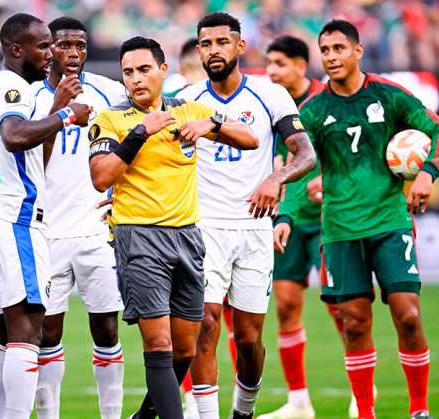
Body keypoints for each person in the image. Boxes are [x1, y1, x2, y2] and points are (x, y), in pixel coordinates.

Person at [90, 36, 258, 419]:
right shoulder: (111, 119)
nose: (136, 79)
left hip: (187, 236)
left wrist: (211, 123)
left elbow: (250, 139)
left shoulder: (189, 110)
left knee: (186, 347)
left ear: (164, 71)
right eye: (128, 72)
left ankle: (144, 416)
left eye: (144, 69)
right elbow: (101, 177)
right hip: (138, 238)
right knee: (159, 343)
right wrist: (139, 134)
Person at [281, 20, 438, 419]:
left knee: (408, 314)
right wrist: (286, 213)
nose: (331, 57)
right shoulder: (313, 111)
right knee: (354, 323)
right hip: (339, 231)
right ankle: (365, 413)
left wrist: (426, 173)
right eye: (325, 50)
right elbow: (297, 163)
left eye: (338, 48)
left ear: (357, 51)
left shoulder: (389, 96)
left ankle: (418, 409)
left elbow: (434, 132)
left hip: (389, 221)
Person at [176, 13, 316, 419]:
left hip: (254, 228)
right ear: (198, 50)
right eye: (206, 43)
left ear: (240, 47)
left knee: (250, 339)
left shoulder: (270, 95)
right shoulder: (184, 99)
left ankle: (244, 410)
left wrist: (277, 177)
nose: (214, 50)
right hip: (203, 229)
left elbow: (305, 153)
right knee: (205, 324)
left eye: (222, 42)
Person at [0, 13, 90, 418]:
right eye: (42, 46)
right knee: (28, 330)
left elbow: (35, 152)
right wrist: (69, 115)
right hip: (16, 216)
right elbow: (15, 136)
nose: (51, 54)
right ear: (16, 49)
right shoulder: (10, 87)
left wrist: (56, 109)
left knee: (7, 333)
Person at [30, 16, 126, 419]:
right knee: (46, 333)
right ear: (48, 48)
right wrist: (60, 109)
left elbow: (131, 146)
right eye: (64, 45)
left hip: (95, 231)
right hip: (46, 230)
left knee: (106, 329)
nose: (73, 54)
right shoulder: (31, 95)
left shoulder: (110, 92)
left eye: (80, 46)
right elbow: (28, 154)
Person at [256, 35, 325, 419]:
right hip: (288, 219)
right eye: (269, 63)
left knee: (347, 312)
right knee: (285, 305)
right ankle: (299, 402)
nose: (271, 71)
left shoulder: (324, 100)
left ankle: (361, 396)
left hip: (332, 220)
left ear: (301, 65)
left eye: (280, 63)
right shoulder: (266, 104)